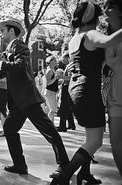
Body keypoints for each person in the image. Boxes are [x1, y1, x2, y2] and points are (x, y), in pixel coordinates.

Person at [0, 17, 69, 175]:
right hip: (18, 102)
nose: (0, 34)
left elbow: (20, 66)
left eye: (2, 31)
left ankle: (65, 165)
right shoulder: (10, 49)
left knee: (49, 132)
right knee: (9, 128)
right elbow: (4, 71)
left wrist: (0, 62)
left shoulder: (19, 45)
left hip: (27, 99)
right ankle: (20, 165)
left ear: (12, 31)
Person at [50, 2, 122, 185]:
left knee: (89, 137)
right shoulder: (90, 33)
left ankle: (84, 174)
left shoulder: (75, 37)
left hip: (75, 89)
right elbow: (110, 41)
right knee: (94, 141)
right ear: (93, 18)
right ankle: (63, 177)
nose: (100, 20)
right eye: (98, 16)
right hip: (88, 90)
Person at [104, 0, 122, 178]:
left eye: (110, 7)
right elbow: (112, 64)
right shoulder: (108, 37)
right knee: (116, 143)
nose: (106, 12)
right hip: (116, 97)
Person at [57, 52, 75, 132]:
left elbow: (70, 77)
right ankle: (71, 125)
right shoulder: (69, 65)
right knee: (67, 107)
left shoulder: (70, 65)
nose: (62, 59)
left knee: (63, 108)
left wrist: (60, 77)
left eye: (63, 58)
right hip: (66, 87)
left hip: (67, 88)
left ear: (68, 58)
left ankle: (62, 126)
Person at [44, 55, 62, 124]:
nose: (55, 61)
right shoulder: (49, 71)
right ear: (50, 61)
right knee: (53, 110)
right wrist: (55, 78)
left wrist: (59, 82)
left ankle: (51, 125)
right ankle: (49, 125)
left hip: (51, 92)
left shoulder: (52, 70)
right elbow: (48, 83)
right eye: (54, 60)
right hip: (50, 92)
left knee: (51, 110)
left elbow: (53, 83)